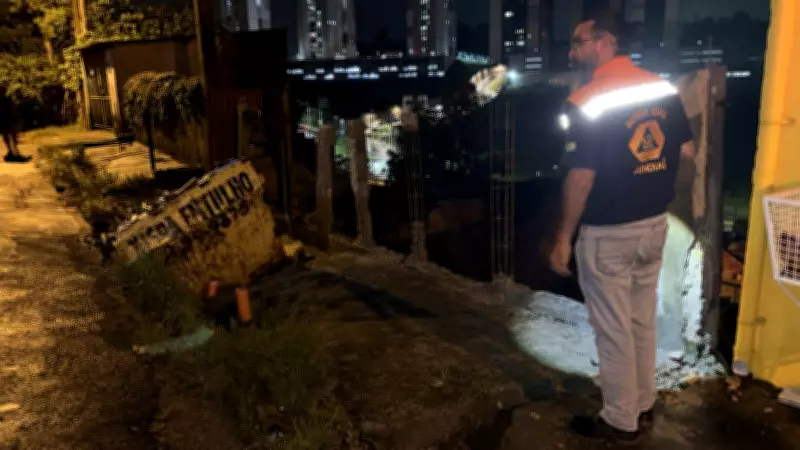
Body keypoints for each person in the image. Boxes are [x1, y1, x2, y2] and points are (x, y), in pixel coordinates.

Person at [550, 12, 696, 443]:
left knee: (612, 330)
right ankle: (643, 403)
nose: (573, 51)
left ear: (604, 42)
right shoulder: (661, 87)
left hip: (609, 232)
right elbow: (686, 150)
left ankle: (619, 419)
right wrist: (646, 163)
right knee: (639, 322)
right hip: (654, 225)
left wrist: (562, 238)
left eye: (578, 43)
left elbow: (581, 176)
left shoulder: (586, 101)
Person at [0, 86, 31, 163]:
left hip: (8, 120)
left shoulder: (7, 99)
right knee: (8, 136)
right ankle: (13, 153)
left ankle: (14, 153)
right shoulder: (6, 99)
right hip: (5, 120)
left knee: (11, 136)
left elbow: (13, 110)